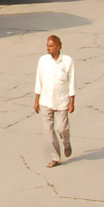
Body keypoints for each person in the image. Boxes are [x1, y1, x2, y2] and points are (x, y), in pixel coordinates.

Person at [33, 34, 75, 168]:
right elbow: (38, 80)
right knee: (49, 131)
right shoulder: (43, 61)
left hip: (62, 101)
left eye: (51, 46)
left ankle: (66, 142)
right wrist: (37, 99)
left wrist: (72, 101)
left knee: (61, 128)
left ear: (58, 47)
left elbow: (71, 82)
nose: (48, 49)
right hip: (45, 101)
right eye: (47, 46)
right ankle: (55, 157)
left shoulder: (67, 61)